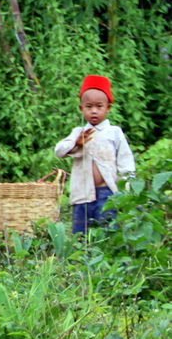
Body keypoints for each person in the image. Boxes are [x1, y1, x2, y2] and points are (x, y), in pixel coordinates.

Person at [54, 75, 136, 234]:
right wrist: (76, 144)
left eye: (99, 106)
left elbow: (126, 162)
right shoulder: (78, 132)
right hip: (82, 194)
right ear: (81, 108)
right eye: (89, 106)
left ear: (108, 108)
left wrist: (127, 189)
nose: (94, 111)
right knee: (81, 235)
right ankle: (80, 258)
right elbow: (59, 151)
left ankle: (107, 257)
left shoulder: (114, 132)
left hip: (108, 192)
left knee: (108, 232)